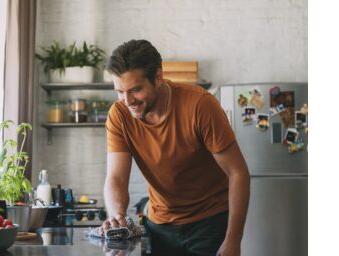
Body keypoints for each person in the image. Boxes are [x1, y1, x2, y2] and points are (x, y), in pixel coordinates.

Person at [100, 39, 250, 256]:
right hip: (159, 226)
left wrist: (233, 241)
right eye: (120, 92)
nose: (127, 100)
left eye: (135, 90)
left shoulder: (200, 105)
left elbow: (238, 173)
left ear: (158, 77)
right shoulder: (119, 115)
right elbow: (116, 178)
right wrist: (116, 215)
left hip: (210, 223)